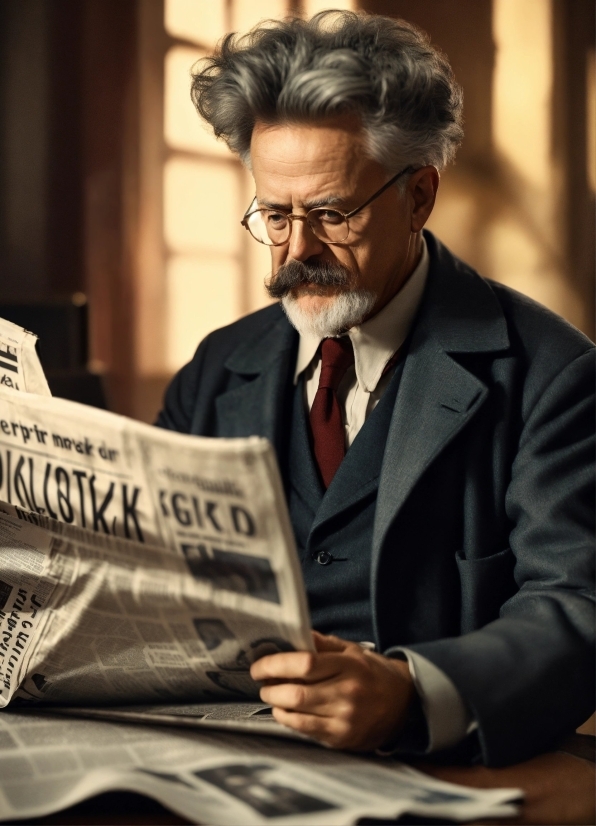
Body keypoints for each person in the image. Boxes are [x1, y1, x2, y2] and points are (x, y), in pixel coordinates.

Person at [156, 10, 594, 766]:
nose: (296, 252)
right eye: (274, 215)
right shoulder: (216, 368)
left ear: (418, 197)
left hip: (439, 771)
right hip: (223, 761)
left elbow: (578, 607)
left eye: (330, 214)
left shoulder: (554, 375)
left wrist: (412, 692)